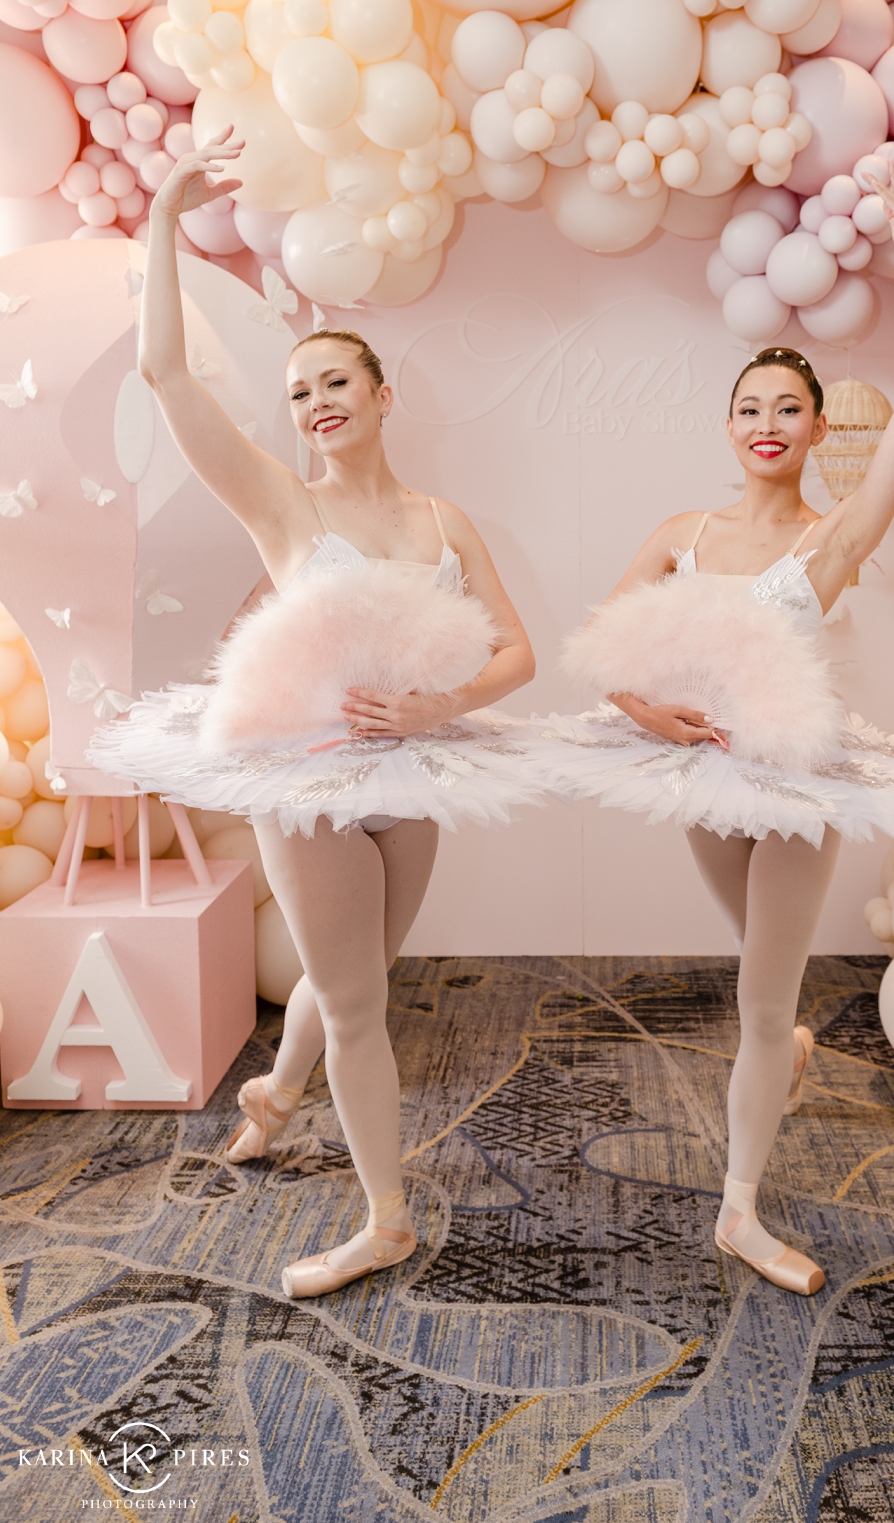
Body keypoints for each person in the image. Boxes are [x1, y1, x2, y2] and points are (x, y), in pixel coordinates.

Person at [92, 129, 539, 1299]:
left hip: (414, 778)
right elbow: (168, 379)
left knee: (360, 987)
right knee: (351, 1006)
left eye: (335, 381)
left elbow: (518, 652)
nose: (315, 402)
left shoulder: (445, 522)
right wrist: (164, 215)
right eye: (298, 393)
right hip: (311, 782)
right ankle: (385, 1217)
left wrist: (437, 704)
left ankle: (278, 1096)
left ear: (384, 395)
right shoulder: (284, 511)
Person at [526, 168, 894, 1296]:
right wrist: (650, 713)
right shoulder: (683, 530)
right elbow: (606, 641)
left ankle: (739, 1211)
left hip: (792, 786)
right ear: (728, 428)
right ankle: (787, 1048)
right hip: (697, 782)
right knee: (756, 971)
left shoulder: (830, 541)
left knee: (762, 1002)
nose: (768, 424)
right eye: (750, 408)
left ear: (817, 426)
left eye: (788, 407)